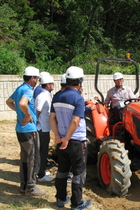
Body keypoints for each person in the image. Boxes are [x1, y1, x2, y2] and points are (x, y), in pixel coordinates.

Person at [49, 66, 92, 209]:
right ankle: (77, 202)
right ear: (79, 82)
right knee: (79, 172)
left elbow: (52, 118)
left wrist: (58, 136)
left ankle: (61, 199)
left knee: (62, 170)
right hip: (76, 141)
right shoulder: (78, 98)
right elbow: (75, 121)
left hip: (61, 140)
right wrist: (67, 138)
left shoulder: (57, 96)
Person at [6, 66, 45, 196]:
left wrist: (20, 113)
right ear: (32, 78)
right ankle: (31, 187)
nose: (37, 81)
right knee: (32, 158)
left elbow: (9, 102)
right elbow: (23, 103)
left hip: (20, 129)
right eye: (37, 78)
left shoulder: (19, 89)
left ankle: (23, 186)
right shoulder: (28, 90)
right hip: (29, 130)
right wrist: (27, 115)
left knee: (24, 158)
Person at [35, 74, 55, 182]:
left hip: (45, 128)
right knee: (41, 152)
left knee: (43, 152)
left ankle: (40, 171)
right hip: (41, 129)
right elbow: (37, 112)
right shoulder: (43, 96)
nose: (53, 85)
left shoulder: (46, 95)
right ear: (48, 85)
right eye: (52, 83)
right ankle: (41, 175)